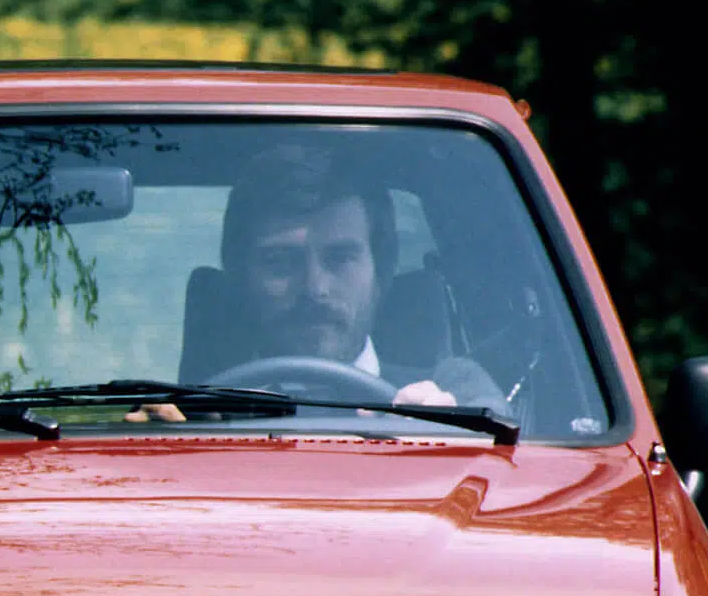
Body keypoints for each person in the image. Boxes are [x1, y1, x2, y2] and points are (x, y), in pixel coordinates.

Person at [131, 143, 507, 422]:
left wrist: (451, 436)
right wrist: (154, 453)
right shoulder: (187, 419)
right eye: (280, 262)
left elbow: (513, 477)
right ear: (240, 278)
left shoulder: (455, 390)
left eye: (340, 259)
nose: (315, 289)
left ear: (382, 270)